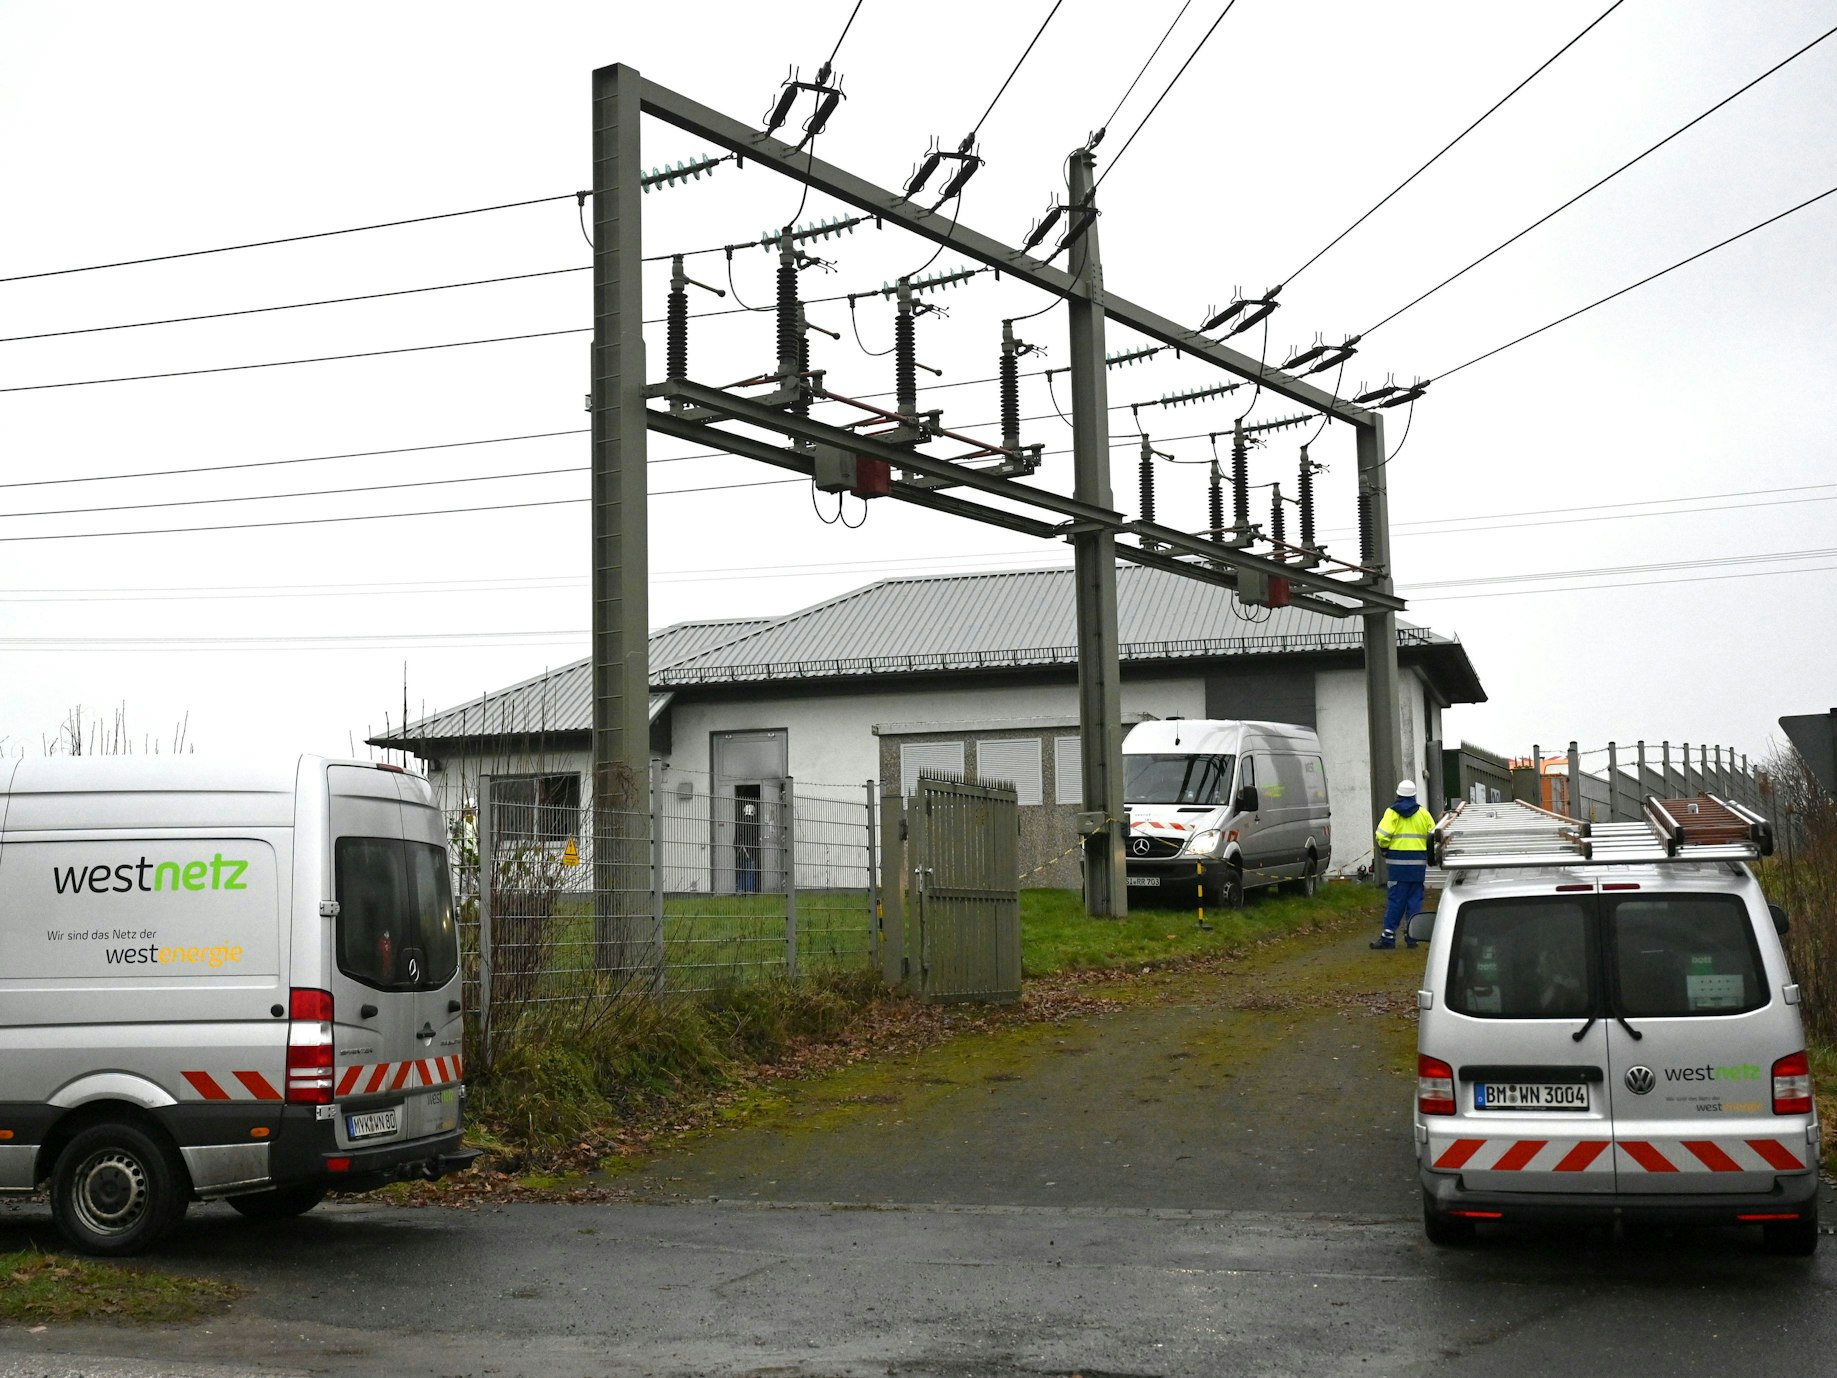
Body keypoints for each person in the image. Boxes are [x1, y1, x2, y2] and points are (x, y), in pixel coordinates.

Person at [1370, 780, 1434, 950]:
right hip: (1418, 865)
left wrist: (1385, 849)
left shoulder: (1392, 813)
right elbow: (1433, 837)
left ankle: (1388, 937)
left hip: (1397, 866)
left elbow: (1382, 835)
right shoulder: (1423, 814)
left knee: (1396, 901)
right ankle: (1412, 936)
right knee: (1415, 900)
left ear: (1398, 794)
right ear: (1414, 795)